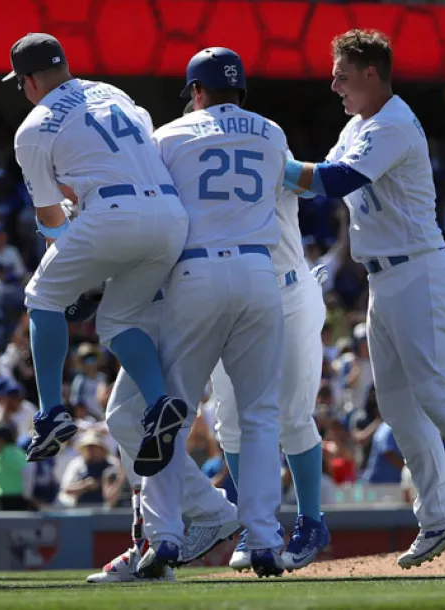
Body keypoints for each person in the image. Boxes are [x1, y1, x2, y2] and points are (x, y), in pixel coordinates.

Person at [105, 46, 288, 580]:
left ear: (198, 91)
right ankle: (263, 540)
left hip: (197, 273)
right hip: (259, 272)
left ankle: (164, 535)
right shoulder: (272, 132)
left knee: (168, 414)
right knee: (259, 416)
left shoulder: (169, 135)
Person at [286, 29, 445, 568]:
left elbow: (335, 179)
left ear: (370, 73)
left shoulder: (393, 124)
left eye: (342, 72)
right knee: (397, 404)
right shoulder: (358, 123)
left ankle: (441, 514)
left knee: (432, 390)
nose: (334, 82)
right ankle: (441, 517)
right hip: (385, 279)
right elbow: (314, 177)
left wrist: (267, 161)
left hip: (419, 272)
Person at [4, 33, 189, 463]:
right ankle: (160, 403)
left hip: (112, 213)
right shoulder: (113, 91)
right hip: (169, 213)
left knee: (43, 296)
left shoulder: (33, 127)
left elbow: (51, 218)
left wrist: (79, 278)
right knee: (119, 318)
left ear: (28, 80)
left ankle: (51, 411)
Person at [211, 179, 331, 572]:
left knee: (294, 415)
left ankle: (311, 522)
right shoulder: (181, 149)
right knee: (228, 422)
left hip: (288, 291)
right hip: (226, 297)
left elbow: (321, 183)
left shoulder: (267, 141)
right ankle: (257, 525)